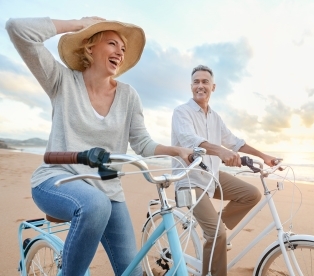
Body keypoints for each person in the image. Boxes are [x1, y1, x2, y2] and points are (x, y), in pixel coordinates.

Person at [6, 17, 193, 276]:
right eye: (112, 43)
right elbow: (18, 30)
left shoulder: (129, 96)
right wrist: (76, 24)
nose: (120, 52)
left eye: (123, 49)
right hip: (56, 179)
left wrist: (177, 151)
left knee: (133, 272)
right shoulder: (62, 81)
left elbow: (141, 142)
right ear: (89, 47)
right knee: (94, 205)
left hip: (108, 191)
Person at [171, 65, 279, 275]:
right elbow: (189, 140)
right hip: (189, 179)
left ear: (213, 87)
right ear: (191, 86)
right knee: (218, 235)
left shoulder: (215, 117)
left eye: (204, 82)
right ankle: (214, 239)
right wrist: (219, 151)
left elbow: (235, 142)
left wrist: (264, 157)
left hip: (211, 176)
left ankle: (212, 227)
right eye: (196, 82)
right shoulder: (181, 112)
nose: (200, 86)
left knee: (251, 194)